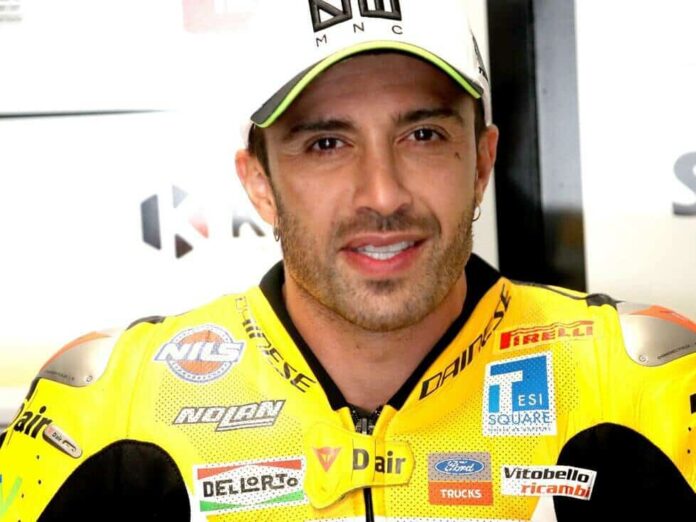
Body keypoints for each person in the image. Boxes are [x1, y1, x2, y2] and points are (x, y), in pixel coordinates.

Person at [1, 1, 695, 520]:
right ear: (259, 182)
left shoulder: (645, 386)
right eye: (327, 144)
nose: (383, 194)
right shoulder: (109, 407)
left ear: (482, 162)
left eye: (423, 135)